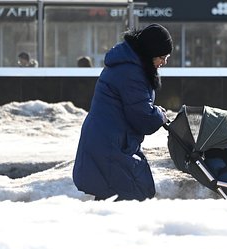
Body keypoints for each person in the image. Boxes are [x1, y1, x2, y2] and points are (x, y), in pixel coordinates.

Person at [72, 23, 173, 201]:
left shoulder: (129, 64)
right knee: (131, 195)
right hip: (110, 143)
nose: (164, 62)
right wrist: (159, 114)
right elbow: (142, 117)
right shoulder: (131, 72)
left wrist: (155, 111)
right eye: (162, 57)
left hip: (108, 139)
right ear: (150, 53)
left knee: (117, 194)